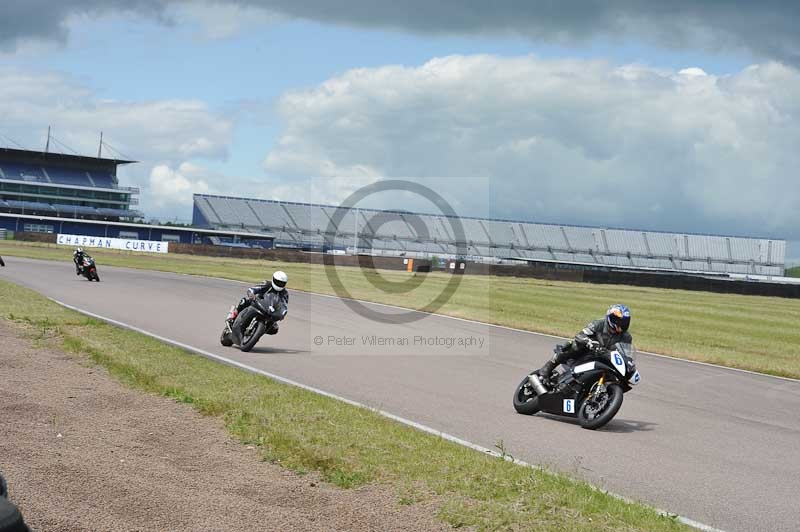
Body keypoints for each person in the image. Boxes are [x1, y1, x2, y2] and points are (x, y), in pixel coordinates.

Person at [537, 304, 632, 383]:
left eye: (624, 322)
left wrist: (629, 364)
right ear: (611, 318)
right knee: (573, 345)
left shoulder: (626, 337)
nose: (621, 325)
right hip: (586, 351)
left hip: (604, 358)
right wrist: (589, 342)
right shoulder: (598, 324)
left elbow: (626, 355)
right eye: (619, 321)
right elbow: (580, 335)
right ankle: (548, 367)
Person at [228, 270, 289, 337]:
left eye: (282, 283)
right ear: (273, 279)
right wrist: (251, 294)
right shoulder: (267, 284)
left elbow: (284, 305)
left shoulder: (285, 293)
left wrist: (282, 314)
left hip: (270, 311)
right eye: (278, 282)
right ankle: (233, 317)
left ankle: (256, 333)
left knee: (275, 329)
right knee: (244, 301)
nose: (279, 284)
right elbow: (253, 289)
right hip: (257, 302)